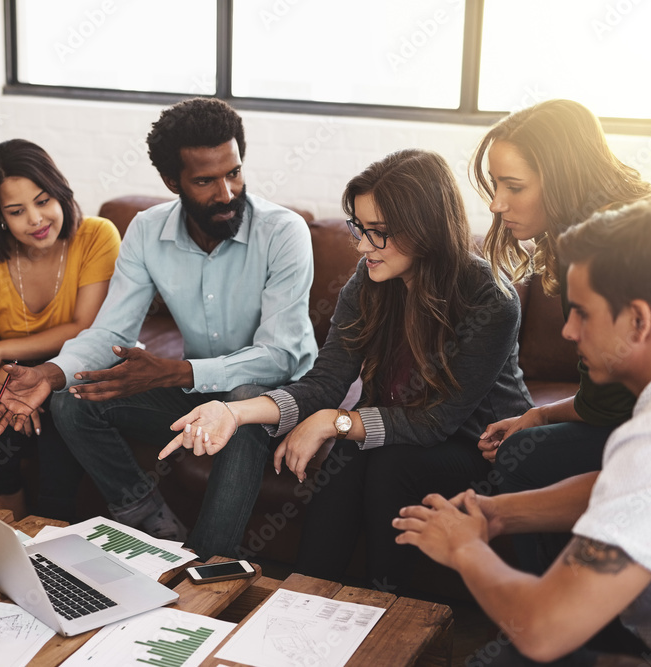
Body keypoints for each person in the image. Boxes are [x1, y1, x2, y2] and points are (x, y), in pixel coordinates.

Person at [161, 149, 533, 590]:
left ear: (425, 227)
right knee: (353, 453)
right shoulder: (369, 280)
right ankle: (305, 597)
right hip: (399, 437)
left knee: (385, 459)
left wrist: (333, 422)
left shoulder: (489, 298)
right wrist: (233, 412)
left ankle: (386, 610)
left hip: (481, 447)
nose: (360, 246)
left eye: (377, 233)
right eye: (359, 228)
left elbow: (436, 421)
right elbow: (326, 383)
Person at [0, 98, 318, 559]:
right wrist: (50, 374)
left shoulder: (283, 232)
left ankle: (208, 563)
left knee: (240, 402)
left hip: (277, 399)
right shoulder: (146, 230)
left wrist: (175, 373)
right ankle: (151, 526)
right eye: (205, 180)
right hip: (200, 393)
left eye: (233, 172)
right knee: (73, 400)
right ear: (171, 181)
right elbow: (110, 334)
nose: (227, 192)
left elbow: (281, 356)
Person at [395, 197, 651, 666]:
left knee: (512, 655)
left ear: (639, 320)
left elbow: (544, 631)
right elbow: (628, 488)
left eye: (582, 312)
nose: (567, 330)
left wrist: (465, 548)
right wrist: (499, 513)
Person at [471, 99, 651, 571]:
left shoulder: (610, 248)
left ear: (563, 178)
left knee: (522, 458)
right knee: (527, 445)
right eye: (496, 184)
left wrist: (536, 423)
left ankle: (552, 608)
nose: (497, 203)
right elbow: (606, 397)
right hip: (642, 420)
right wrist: (538, 416)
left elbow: (612, 408)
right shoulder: (604, 225)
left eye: (514, 186)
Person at [0, 139, 120, 521]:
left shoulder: (97, 236)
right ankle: (9, 500)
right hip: (12, 368)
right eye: (16, 210)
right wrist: (5, 378)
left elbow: (85, 327)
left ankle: (52, 523)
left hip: (80, 359)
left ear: (60, 193)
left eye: (43, 201)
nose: (35, 220)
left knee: (63, 407)